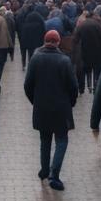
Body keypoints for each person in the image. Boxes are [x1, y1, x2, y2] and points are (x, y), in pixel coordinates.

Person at [23, 30, 78, 191]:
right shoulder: (64, 60)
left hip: (42, 108)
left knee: (45, 140)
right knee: (62, 140)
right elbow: (73, 87)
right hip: (61, 108)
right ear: (58, 42)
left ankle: (44, 169)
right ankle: (54, 174)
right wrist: (71, 103)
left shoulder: (35, 58)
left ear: (45, 41)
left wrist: (35, 101)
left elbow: (28, 85)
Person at [75, 10, 101, 93]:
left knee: (83, 71)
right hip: (96, 53)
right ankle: (96, 87)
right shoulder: (97, 25)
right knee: (96, 71)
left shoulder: (82, 25)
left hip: (85, 52)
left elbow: (75, 39)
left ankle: (82, 88)